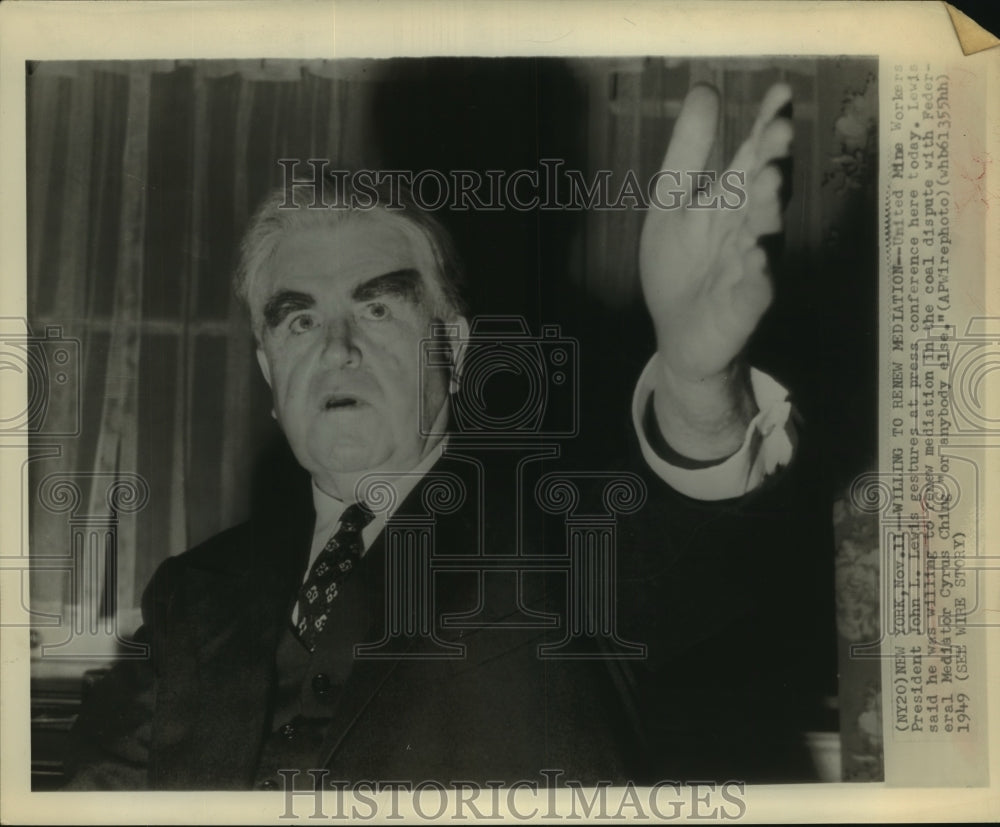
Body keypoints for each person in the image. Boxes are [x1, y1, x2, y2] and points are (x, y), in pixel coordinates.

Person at [65, 82, 833, 790]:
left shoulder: (562, 534)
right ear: (269, 370)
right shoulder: (191, 595)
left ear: (454, 350)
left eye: (376, 309)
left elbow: (692, 548)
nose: (337, 350)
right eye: (300, 321)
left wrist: (698, 385)